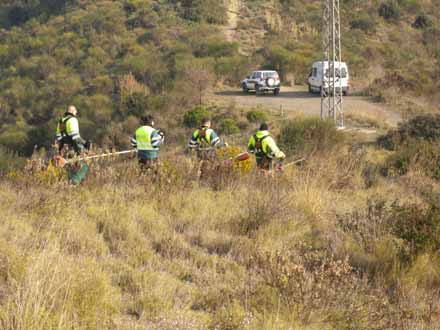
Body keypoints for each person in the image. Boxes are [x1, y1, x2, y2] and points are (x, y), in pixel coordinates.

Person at [55, 105, 90, 184]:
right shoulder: (73, 120)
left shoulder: (61, 121)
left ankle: (71, 183)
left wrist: (60, 151)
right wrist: (85, 143)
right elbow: (75, 138)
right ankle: (74, 182)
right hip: (75, 147)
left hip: (65, 148)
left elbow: (59, 138)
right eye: (75, 112)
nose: (76, 114)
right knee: (84, 165)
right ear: (73, 111)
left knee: (70, 166)